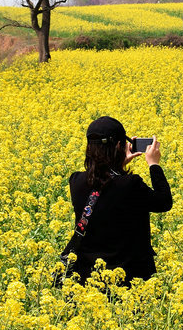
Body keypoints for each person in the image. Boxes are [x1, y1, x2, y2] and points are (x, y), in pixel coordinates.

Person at [63, 116, 172, 286]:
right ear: (119, 146)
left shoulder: (76, 181)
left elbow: (104, 190)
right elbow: (164, 202)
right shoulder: (130, 185)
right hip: (129, 284)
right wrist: (154, 164)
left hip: (87, 284)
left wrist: (117, 166)